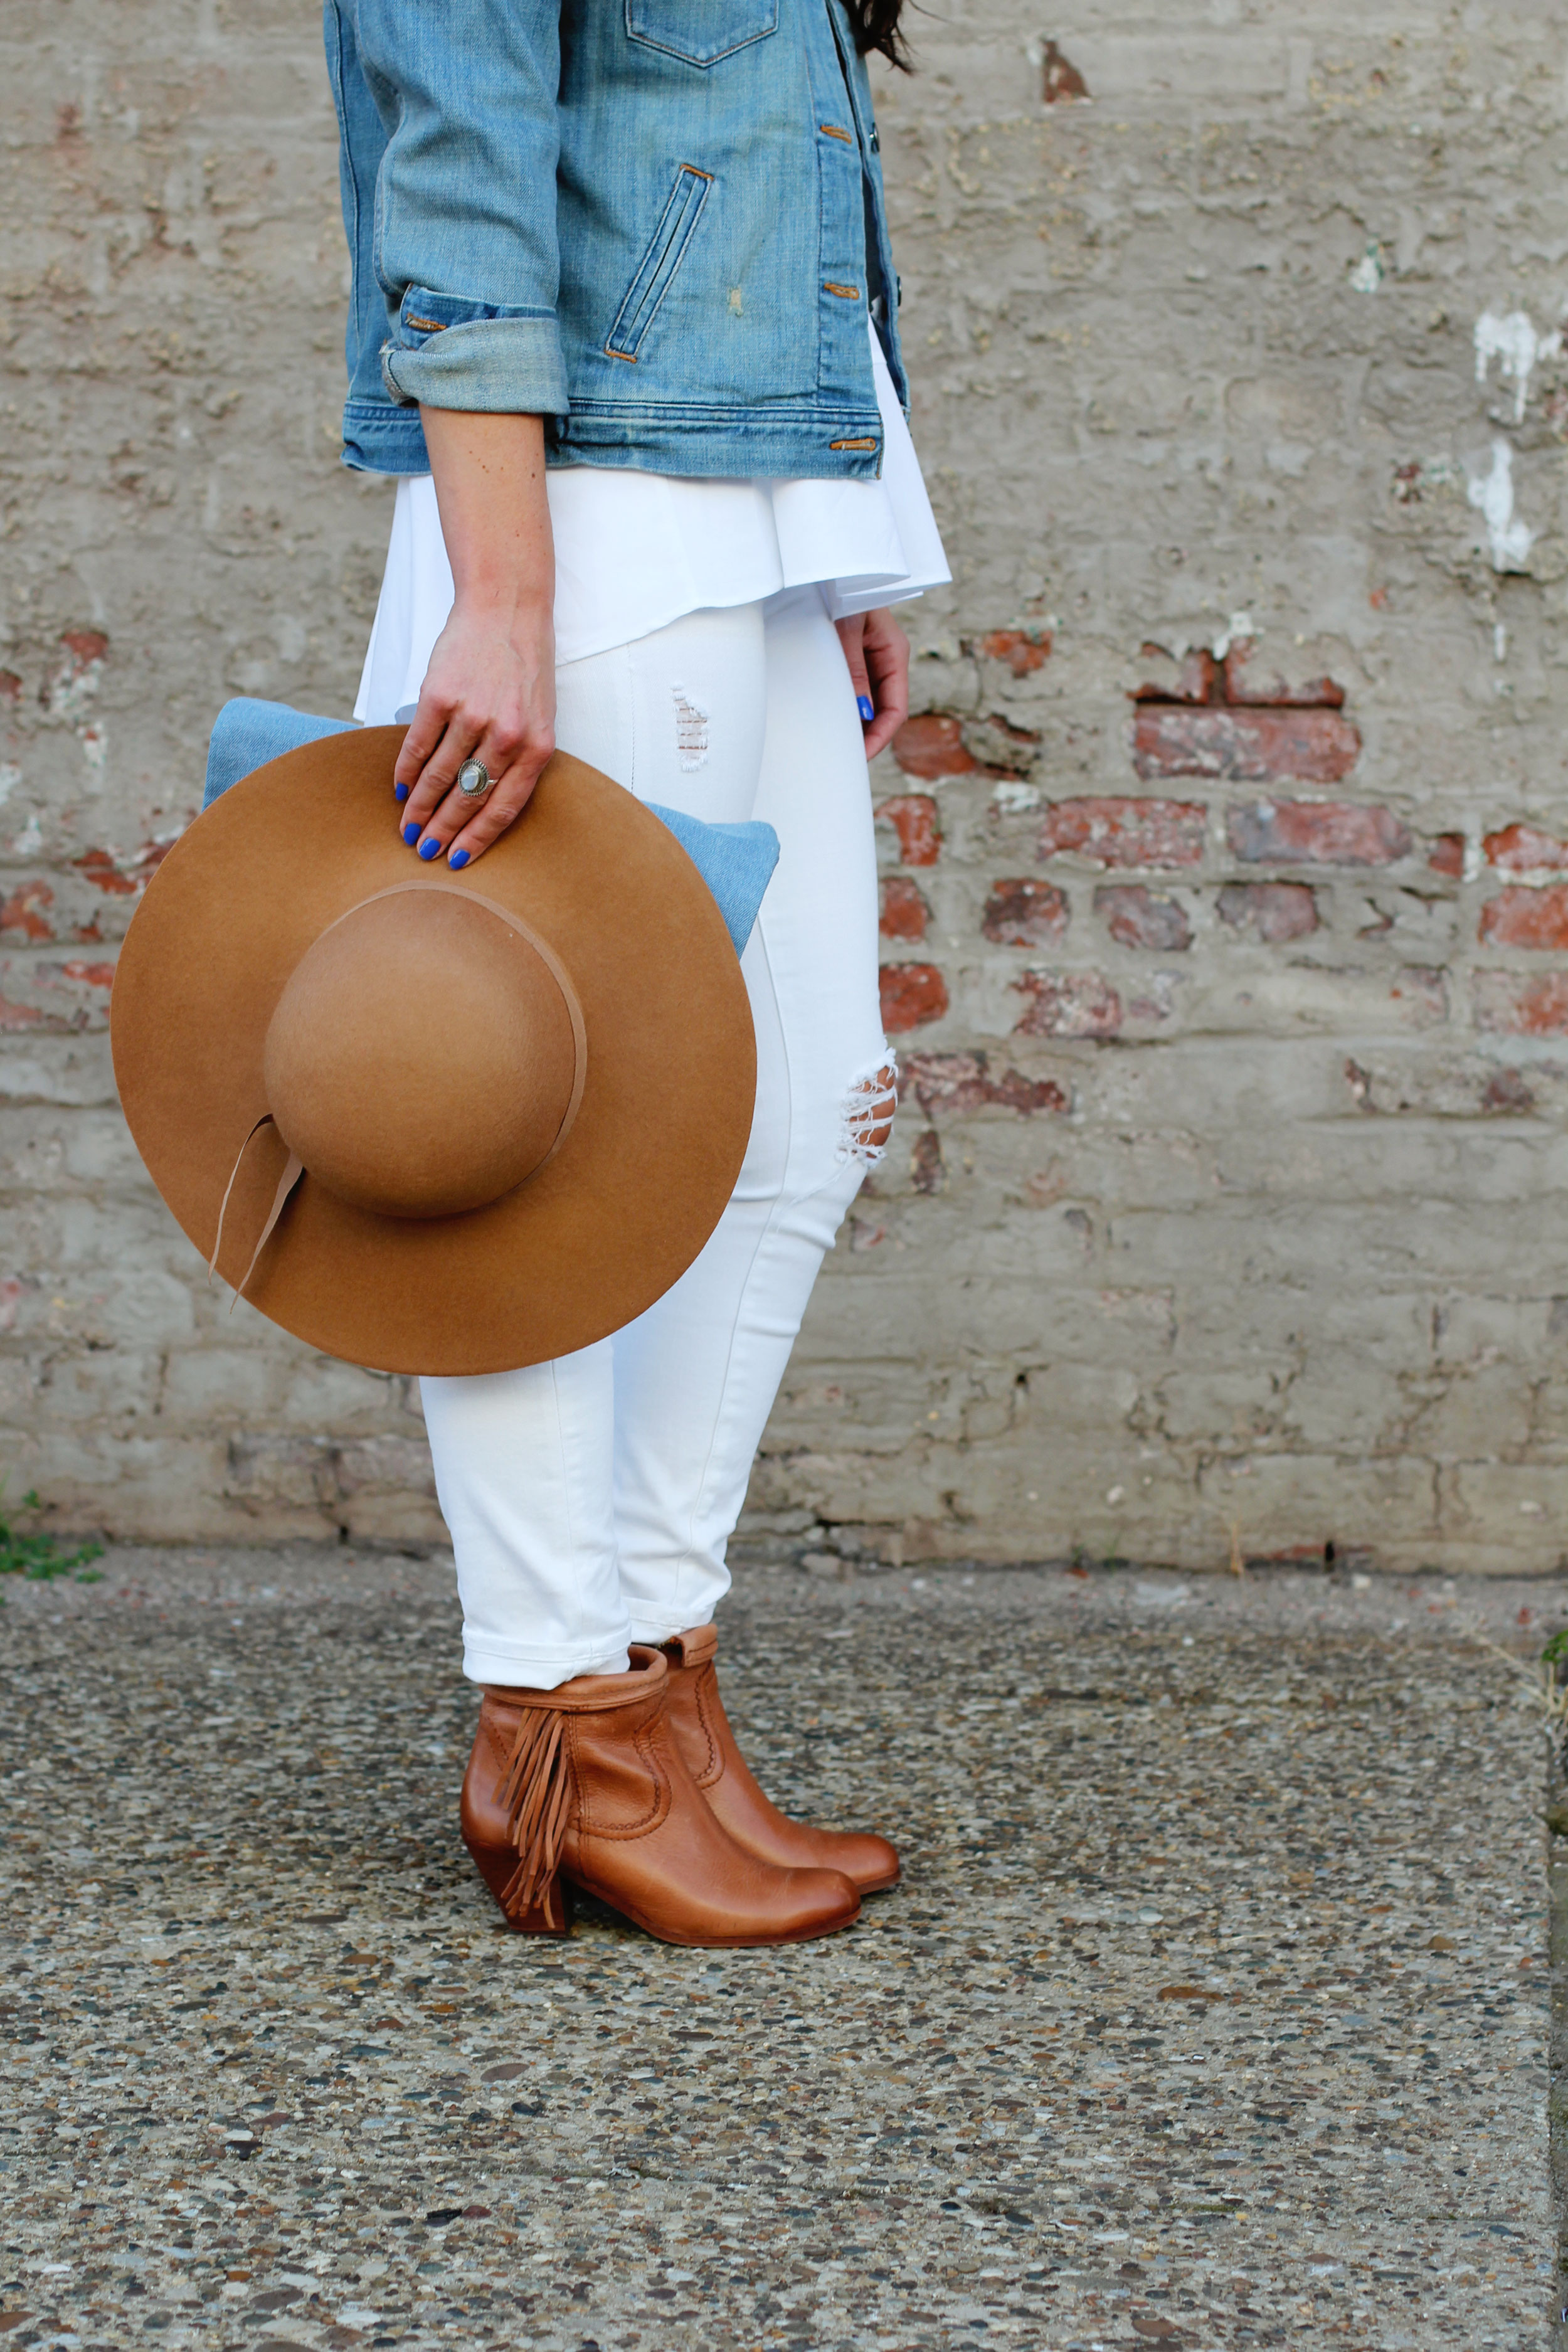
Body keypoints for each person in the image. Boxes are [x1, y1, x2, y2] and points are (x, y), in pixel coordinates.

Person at [327, 0, 949, 1946]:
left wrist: (843, 544)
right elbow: (460, 144)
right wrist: (497, 592)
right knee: (543, 1142)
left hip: (760, 496)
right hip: (584, 518)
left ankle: (653, 1684)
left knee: (810, 1102)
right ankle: (555, 1707)